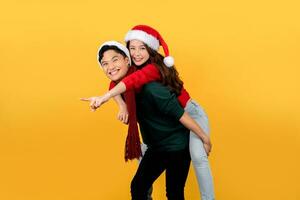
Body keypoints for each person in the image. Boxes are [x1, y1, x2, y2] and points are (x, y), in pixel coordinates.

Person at [87, 25, 215, 200]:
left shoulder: (151, 83)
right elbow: (116, 84)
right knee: (139, 186)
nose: (110, 67)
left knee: (180, 184)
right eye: (105, 63)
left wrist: (204, 138)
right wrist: (122, 106)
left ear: (126, 61)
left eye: (115, 60)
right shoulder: (126, 82)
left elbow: (181, 115)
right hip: (157, 144)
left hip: (180, 136)